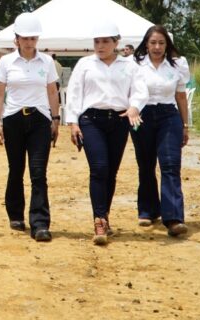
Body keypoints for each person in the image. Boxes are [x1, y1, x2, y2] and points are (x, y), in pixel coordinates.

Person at [64, 21, 147, 245]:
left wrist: (135, 106)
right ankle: (98, 220)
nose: (100, 46)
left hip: (119, 121)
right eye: (97, 41)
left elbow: (140, 90)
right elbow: (74, 93)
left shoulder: (129, 66)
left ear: (116, 42)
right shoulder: (85, 64)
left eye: (105, 41)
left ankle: (105, 214)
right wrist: (73, 122)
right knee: (99, 168)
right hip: (91, 120)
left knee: (111, 171)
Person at [0, 13, 60, 242]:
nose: (29, 42)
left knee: (38, 172)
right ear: (17, 39)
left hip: (40, 119)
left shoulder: (47, 62)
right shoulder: (6, 62)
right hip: (13, 119)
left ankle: (40, 223)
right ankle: (15, 213)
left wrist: (55, 119)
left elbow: (52, 91)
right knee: (16, 169)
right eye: (25, 38)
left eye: (33, 38)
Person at [131, 25, 190, 237]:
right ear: (146, 44)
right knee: (146, 164)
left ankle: (173, 218)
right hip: (141, 116)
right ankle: (148, 210)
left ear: (168, 45)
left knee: (170, 164)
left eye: (161, 43)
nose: (157, 47)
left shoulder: (178, 65)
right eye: (153, 42)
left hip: (169, 116)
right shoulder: (134, 64)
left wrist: (185, 125)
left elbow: (181, 96)